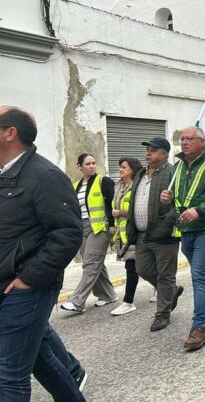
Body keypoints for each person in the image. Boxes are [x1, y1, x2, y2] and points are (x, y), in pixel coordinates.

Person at [0, 106, 85, 400]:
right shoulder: (4, 174)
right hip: (6, 282)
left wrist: (30, 279)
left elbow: (68, 233)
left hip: (27, 287)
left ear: (11, 133)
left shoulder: (45, 175)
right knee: (39, 359)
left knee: (8, 375)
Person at [161, 126, 205, 350]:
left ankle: (199, 326)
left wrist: (199, 210)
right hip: (186, 228)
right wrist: (168, 199)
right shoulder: (178, 166)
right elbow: (177, 197)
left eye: (189, 139)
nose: (184, 143)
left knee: (199, 274)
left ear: (201, 142)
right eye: (181, 139)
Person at [126, 137, 184, 332]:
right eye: (148, 150)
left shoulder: (173, 173)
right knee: (143, 269)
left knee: (166, 275)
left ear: (164, 154)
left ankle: (162, 314)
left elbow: (181, 202)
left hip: (164, 235)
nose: (148, 153)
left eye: (153, 150)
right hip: (142, 235)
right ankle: (172, 292)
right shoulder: (141, 174)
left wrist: (168, 222)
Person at [60, 152, 118, 313]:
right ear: (79, 167)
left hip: (99, 227)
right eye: (88, 164)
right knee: (95, 263)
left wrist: (112, 224)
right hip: (82, 228)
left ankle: (77, 302)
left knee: (90, 264)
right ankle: (108, 295)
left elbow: (111, 203)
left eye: (93, 163)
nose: (92, 166)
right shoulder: (76, 185)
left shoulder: (103, 181)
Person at [110, 157, 144, 316]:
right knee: (143, 267)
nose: (121, 169)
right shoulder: (118, 187)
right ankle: (162, 288)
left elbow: (139, 208)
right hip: (122, 233)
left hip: (135, 232)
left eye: (124, 167)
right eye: (120, 167)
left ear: (133, 169)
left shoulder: (138, 187)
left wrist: (121, 213)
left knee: (131, 267)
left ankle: (128, 302)